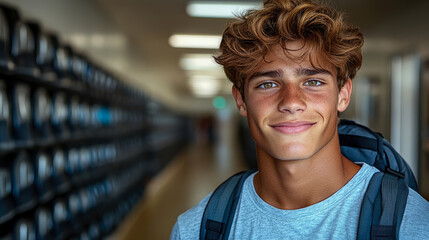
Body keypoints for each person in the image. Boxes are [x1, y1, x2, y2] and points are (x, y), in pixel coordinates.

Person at [170, 0, 429, 239]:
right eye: (268, 84)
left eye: (313, 82)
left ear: (343, 95)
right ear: (241, 101)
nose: (291, 101)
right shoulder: (196, 229)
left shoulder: (413, 224)